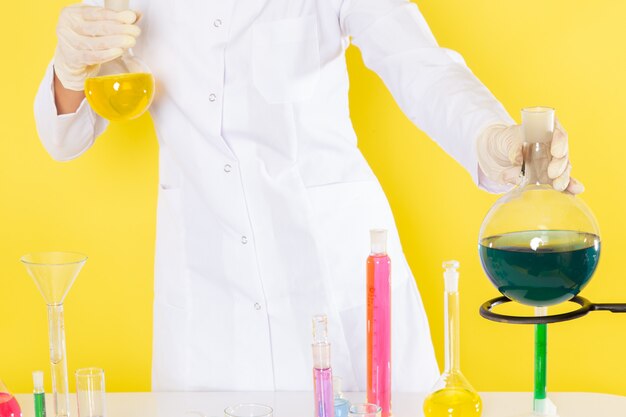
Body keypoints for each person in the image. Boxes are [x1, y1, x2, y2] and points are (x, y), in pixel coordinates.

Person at [34, 0, 580, 392]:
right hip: (207, 288)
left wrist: (492, 138)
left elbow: (420, 66)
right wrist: (68, 64)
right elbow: (66, 136)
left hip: (333, 266)